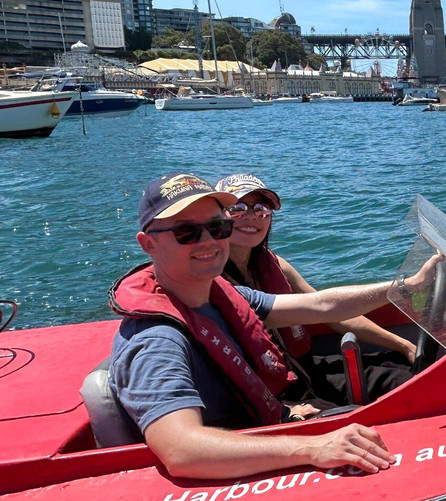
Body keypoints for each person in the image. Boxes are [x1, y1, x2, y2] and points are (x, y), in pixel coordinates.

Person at [107, 172, 428, 480]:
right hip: (238, 458)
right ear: (148, 244)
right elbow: (180, 450)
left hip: (273, 421)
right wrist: (312, 446)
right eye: (186, 232)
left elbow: (322, 306)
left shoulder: (220, 295)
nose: (208, 241)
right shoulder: (156, 341)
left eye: (217, 227)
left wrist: (408, 285)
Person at [213, 173, 416, 405]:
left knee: (400, 364)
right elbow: (324, 307)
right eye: (238, 208)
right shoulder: (214, 283)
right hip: (280, 392)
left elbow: (334, 316)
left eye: (261, 208)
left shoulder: (276, 265)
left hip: (307, 368)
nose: (251, 217)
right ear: (217, 219)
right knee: (401, 382)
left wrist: (404, 345)